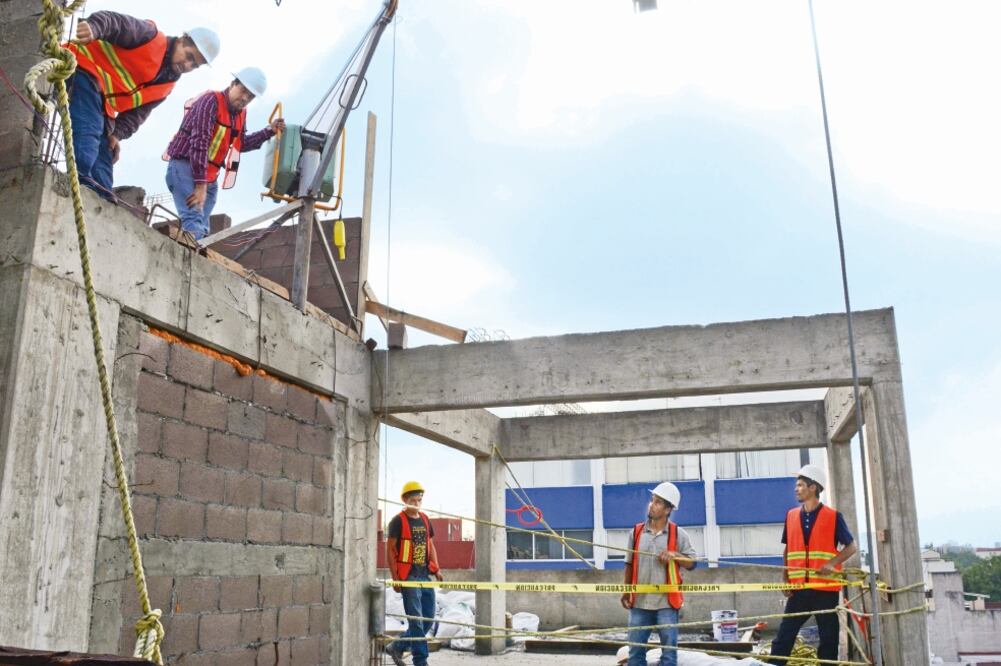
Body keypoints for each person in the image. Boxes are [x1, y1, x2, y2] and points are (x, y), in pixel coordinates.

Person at [64, 12, 219, 200]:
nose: (187, 65)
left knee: (104, 158)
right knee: (87, 141)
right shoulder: (149, 36)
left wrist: (117, 134)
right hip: (81, 68)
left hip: (102, 102)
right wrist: (94, 28)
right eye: (188, 56)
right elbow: (116, 23)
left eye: (194, 65)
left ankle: (102, 200)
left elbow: (137, 114)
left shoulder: (166, 86)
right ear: (181, 40)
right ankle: (79, 189)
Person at [163, 67, 285, 240]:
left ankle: (193, 258)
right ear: (232, 84)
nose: (244, 98)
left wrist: (268, 131)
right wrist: (200, 185)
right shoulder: (210, 101)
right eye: (243, 91)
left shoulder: (240, 114)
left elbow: (240, 144)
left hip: (209, 178)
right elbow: (200, 142)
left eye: (250, 97)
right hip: (186, 168)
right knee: (193, 219)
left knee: (202, 230)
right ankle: (191, 263)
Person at [769, 464, 858, 663]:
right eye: (797, 485)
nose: (796, 489)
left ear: (813, 488)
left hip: (825, 590)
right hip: (799, 588)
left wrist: (832, 563)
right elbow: (788, 549)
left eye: (800, 485)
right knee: (785, 634)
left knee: (828, 637)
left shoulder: (833, 517)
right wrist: (785, 578)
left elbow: (851, 547)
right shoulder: (791, 516)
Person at [620, 482, 697, 666]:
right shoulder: (637, 532)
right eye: (652, 500)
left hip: (666, 603)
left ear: (669, 509)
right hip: (640, 602)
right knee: (636, 653)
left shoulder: (679, 534)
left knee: (669, 656)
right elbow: (629, 564)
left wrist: (675, 555)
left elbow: (692, 563)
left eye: (658, 502)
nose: (651, 505)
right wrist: (626, 591)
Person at [385, 481, 443, 666]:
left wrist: (437, 569)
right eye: (413, 500)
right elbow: (390, 550)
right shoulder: (397, 521)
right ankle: (421, 662)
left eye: (419, 500)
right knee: (416, 621)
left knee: (427, 620)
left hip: (424, 575)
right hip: (408, 576)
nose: (417, 503)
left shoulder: (425, 519)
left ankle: (397, 645)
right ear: (405, 500)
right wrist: (396, 579)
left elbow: (430, 545)